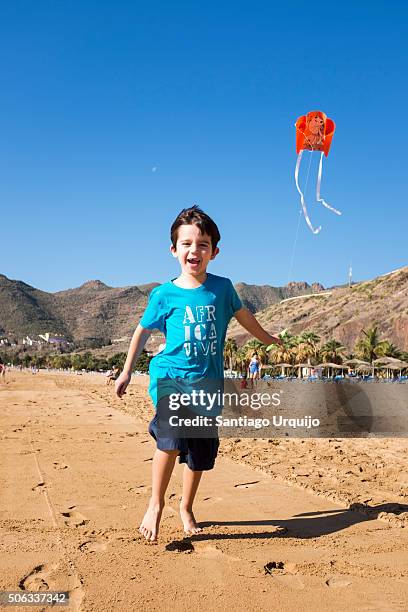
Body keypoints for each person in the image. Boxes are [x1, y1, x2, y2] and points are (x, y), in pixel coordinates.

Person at [115, 206, 282, 542]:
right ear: (174, 250)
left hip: (207, 385)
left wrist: (268, 338)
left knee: (201, 455)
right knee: (172, 437)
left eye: (203, 244)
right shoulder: (164, 294)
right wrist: (126, 372)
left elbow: (245, 317)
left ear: (214, 252)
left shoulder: (222, 288)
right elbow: (142, 332)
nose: (195, 250)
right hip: (170, 378)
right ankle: (156, 503)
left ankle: (186, 506)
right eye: (187, 244)